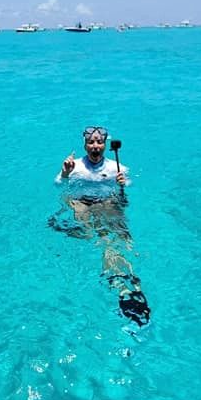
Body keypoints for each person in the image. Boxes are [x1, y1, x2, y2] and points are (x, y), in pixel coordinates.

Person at [51, 126, 151, 327]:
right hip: (81, 202)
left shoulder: (117, 167)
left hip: (107, 202)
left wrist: (124, 182)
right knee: (96, 236)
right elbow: (57, 185)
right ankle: (120, 284)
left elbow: (128, 187)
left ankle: (130, 283)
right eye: (91, 142)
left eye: (99, 142)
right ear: (85, 145)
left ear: (105, 145)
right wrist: (64, 174)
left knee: (123, 239)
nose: (95, 146)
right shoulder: (75, 166)